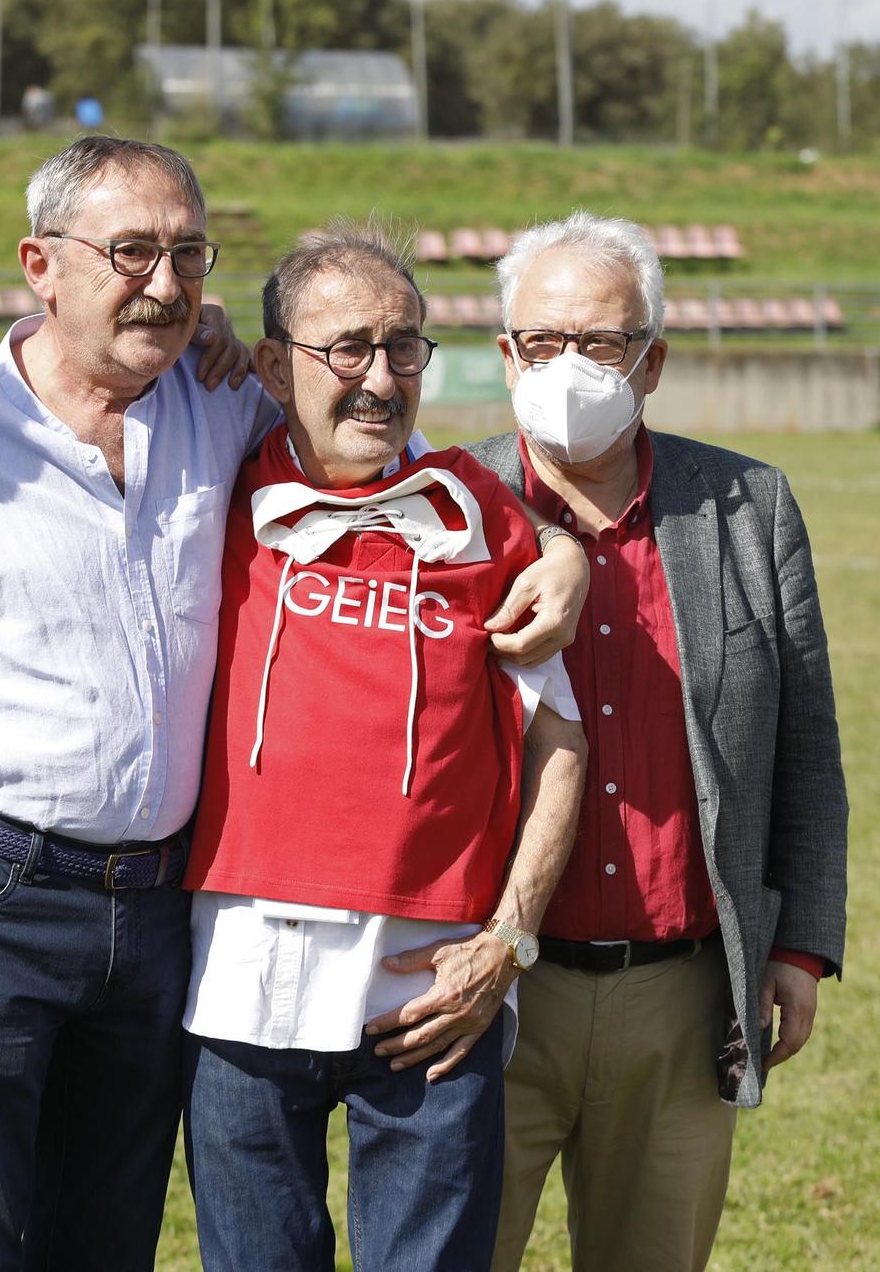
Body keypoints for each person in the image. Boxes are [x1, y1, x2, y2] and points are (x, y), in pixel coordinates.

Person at [0, 138, 589, 1271]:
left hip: (161, 906)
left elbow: (389, 452)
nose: (166, 284)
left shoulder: (215, 404)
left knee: (107, 1233)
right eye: (131, 251)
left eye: (187, 254)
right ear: (40, 263)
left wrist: (560, 549)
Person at [177, 227, 589, 1271]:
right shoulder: (212, 471)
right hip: (238, 975)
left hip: (431, 984)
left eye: (403, 348)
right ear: (273, 367)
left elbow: (559, 746)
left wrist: (508, 939)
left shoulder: (479, 513)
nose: (378, 378)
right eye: (345, 349)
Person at [472, 213, 849, 1272]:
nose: (569, 365)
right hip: (490, 979)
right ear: (504, 355)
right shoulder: (448, 504)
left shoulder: (746, 505)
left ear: (652, 363)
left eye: (601, 342)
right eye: (542, 341)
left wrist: (796, 944)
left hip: (679, 995)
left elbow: (806, 748)